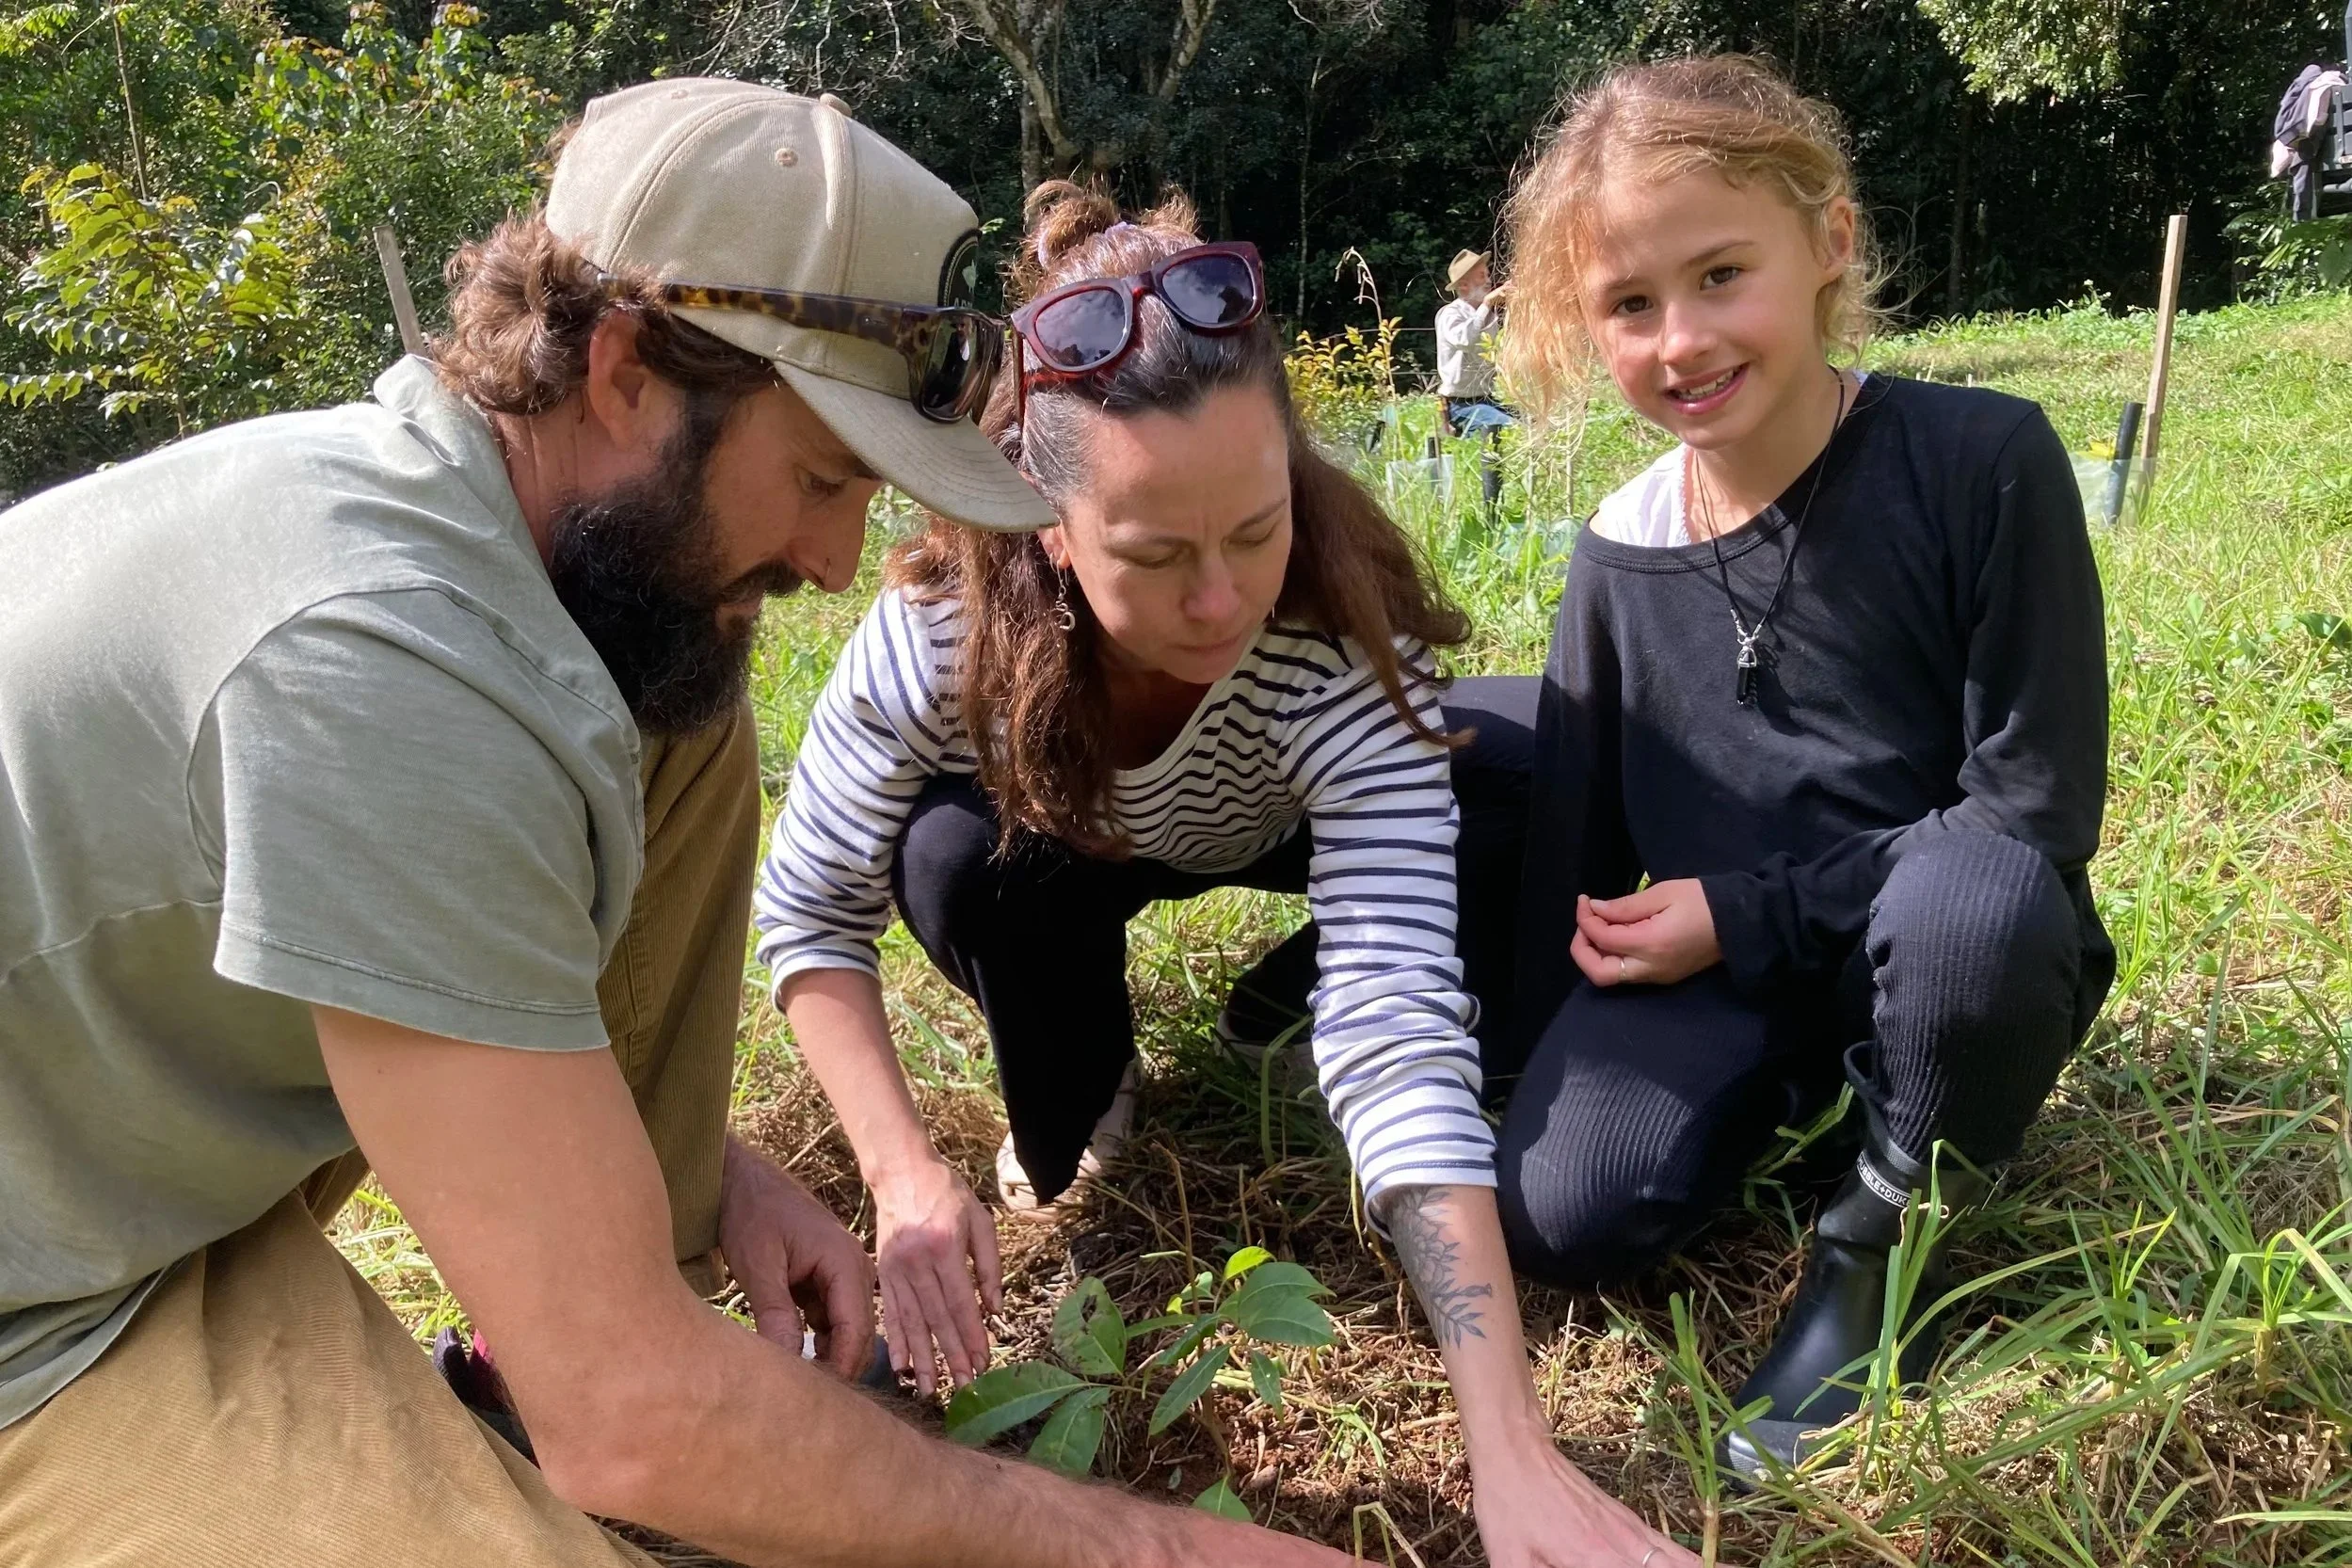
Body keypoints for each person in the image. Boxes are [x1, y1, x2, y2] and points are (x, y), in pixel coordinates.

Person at [0, 81, 1355, 1568]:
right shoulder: (382, 667)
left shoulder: (488, 554)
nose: (836, 562)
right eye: (822, 475)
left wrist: (707, 1175)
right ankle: (575, 1363)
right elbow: (633, 1416)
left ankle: (563, 1334)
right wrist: (1147, 1550)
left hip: (129, 1159)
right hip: (44, 1308)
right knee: (619, 1449)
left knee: (679, 707)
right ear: (627, 367)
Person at [756, 182, 1696, 1568]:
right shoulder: (939, 633)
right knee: (950, 860)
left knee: (1539, 783)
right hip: (1062, 842)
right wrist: (901, 1174)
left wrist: (1509, 1444)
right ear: (1045, 525)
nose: (1218, 601)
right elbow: (807, 906)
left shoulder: (1332, 642)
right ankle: (1089, 1059)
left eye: (1253, 529)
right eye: (1154, 553)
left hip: (1265, 816)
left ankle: (1278, 984)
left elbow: (1396, 1031)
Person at [1491, 55, 2115, 1481]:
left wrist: (1749, 910)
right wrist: (1521, 1063)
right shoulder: (1618, 546)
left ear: (1826, 242)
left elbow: (2032, 803)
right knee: (1564, 1214)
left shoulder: (1979, 461)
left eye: (1719, 274)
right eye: (1628, 304)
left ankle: (1874, 1236)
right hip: (1734, 963)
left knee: (1978, 909)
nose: (1679, 339)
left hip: (1951, 937)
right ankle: (1810, 1089)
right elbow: (1575, 841)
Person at [1435, 248, 1514, 438]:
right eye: (1481, 277)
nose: (1488, 281)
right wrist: (1488, 303)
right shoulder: (1450, 314)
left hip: (1487, 400)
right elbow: (1466, 340)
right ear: (1463, 286)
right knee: (1510, 428)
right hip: (1459, 406)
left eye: (1487, 275)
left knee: (1532, 422)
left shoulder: (1488, 315)